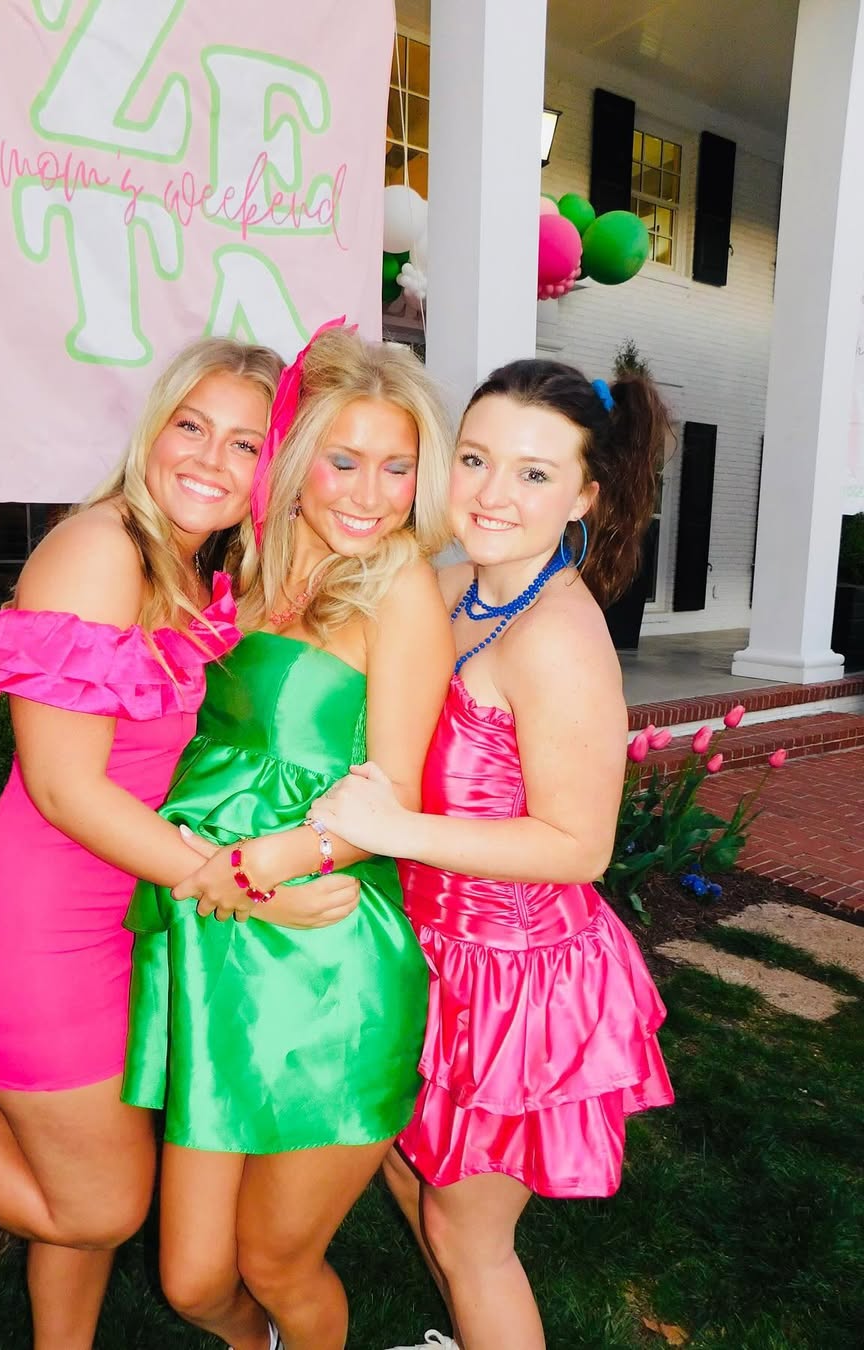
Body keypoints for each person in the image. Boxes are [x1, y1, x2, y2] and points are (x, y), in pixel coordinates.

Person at [0, 336, 346, 1350]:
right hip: (38, 927)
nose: (210, 459)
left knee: (85, 1168)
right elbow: (63, 785)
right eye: (192, 426)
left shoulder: (183, 567)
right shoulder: (102, 550)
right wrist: (235, 882)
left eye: (244, 445)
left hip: (124, 916)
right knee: (100, 1203)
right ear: (154, 429)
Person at [311, 359, 677, 1350]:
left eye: (533, 473)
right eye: (475, 459)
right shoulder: (450, 585)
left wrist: (393, 832)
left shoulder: (559, 639)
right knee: (408, 1170)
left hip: (514, 979)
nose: (491, 493)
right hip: (427, 951)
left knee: (469, 1238)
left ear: (584, 497)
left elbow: (579, 846)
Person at [121, 325, 455, 1350]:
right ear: (298, 456)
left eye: (397, 466)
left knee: (276, 1262)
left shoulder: (399, 587)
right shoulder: (245, 566)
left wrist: (257, 865)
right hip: (214, 936)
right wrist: (212, 876)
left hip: (327, 954)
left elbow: (392, 798)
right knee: (190, 1279)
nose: (370, 493)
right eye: (344, 460)